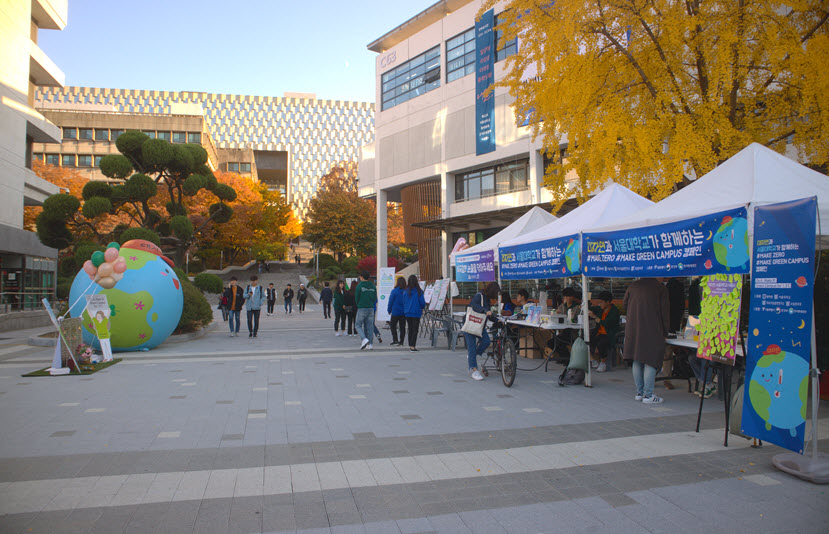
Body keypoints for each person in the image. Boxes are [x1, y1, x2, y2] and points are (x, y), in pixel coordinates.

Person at [624, 278, 669, 404]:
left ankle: (639, 393)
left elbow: (625, 305)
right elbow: (664, 313)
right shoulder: (660, 288)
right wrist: (665, 332)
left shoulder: (633, 286)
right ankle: (648, 395)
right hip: (653, 329)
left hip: (634, 328)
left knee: (637, 358)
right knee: (651, 360)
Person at [463, 282, 501, 381]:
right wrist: (484, 310)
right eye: (496, 293)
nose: (496, 296)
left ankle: (473, 356)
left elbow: (488, 315)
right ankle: (474, 371)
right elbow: (474, 305)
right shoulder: (479, 296)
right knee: (471, 348)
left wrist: (497, 320)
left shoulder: (487, 300)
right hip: (471, 325)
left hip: (480, 326)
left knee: (486, 342)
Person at [662, 278, 686, 389]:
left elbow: (679, 307)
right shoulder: (658, 286)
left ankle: (661, 378)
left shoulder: (674, 286)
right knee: (667, 353)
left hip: (667, 325)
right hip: (669, 325)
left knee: (665, 353)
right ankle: (664, 378)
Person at [588, 291, 621, 373]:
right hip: (598, 333)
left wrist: (595, 317)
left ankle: (603, 363)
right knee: (584, 340)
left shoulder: (614, 311)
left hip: (609, 334)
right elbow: (591, 308)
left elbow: (606, 323)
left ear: (608, 302)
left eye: (601, 302)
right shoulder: (600, 309)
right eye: (598, 302)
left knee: (601, 343)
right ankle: (593, 361)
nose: (599, 304)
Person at [403, 275, 427, 352]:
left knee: (410, 329)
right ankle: (413, 346)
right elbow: (422, 302)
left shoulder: (405, 291)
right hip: (416, 312)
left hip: (407, 313)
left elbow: (403, 302)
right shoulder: (419, 291)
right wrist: (422, 307)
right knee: (415, 330)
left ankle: (410, 344)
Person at [354, 271, 377, 350]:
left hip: (362, 307)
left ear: (362, 277)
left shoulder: (359, 286)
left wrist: (359, 304)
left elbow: (356, 297)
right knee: (370, 326)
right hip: (371, 308)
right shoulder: (373, 286)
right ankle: (370, 344)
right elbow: (374, 298)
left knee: (357, 325)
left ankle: (364, 339)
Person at [387, 277, 407, 345]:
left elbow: (391, 301)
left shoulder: (394, 291)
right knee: (402, 327)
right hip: (404, 312)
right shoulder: (406, 291)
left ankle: (395, 340)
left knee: (393, 326)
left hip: (395, 311)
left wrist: (389, 310)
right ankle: (402, 341)